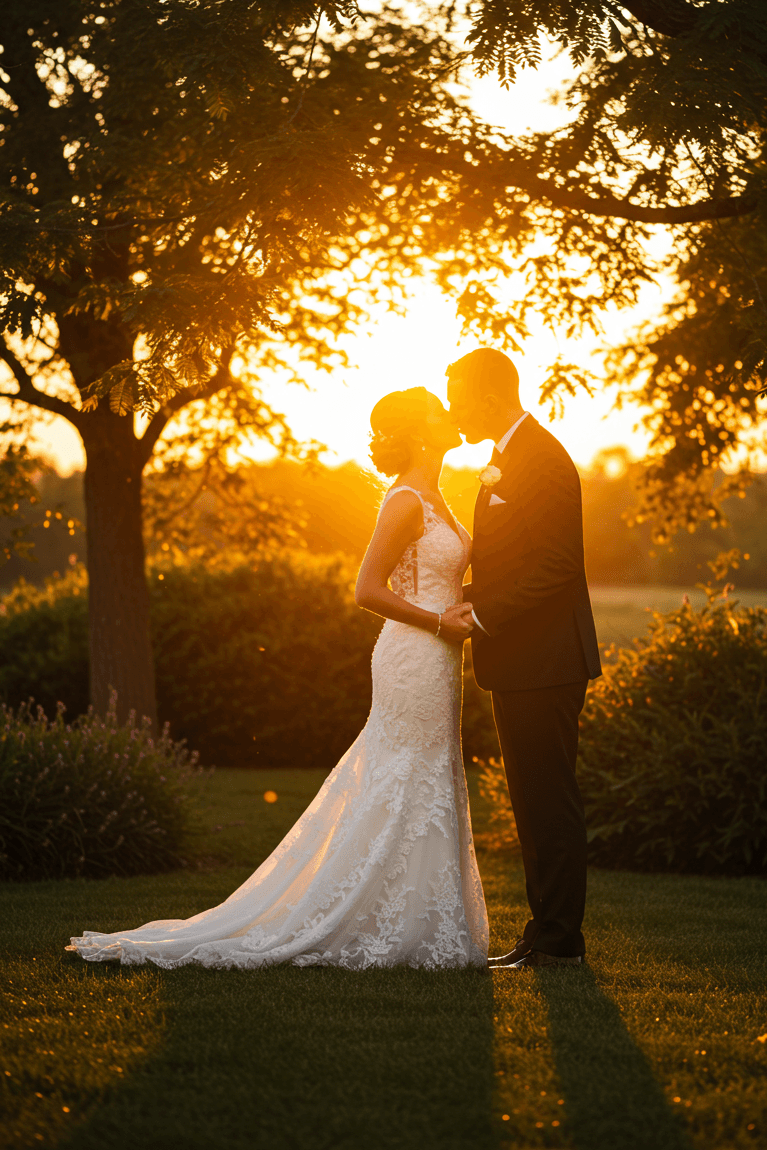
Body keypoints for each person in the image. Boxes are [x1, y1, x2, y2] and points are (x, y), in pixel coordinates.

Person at [66, 387, 488, 970]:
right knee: (402, 775)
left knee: (428, 776)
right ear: (418, 431)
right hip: (413, 657)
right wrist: (440, 620)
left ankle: (420, 918)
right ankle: (373, 920)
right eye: (439, 412)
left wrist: (464, 606)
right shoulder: (406, 500)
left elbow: (437, 579)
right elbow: (367, 590)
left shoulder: (441, 497)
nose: (450, 415)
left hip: (442, 659)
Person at [446, 348, 601, 969]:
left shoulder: (542, 457)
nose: (455, 409)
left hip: (546, 661)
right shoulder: (507, 457)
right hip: (522, 661)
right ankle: (544, 933)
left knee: (548, 800)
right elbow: (512, 561)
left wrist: (482, 616)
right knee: (531, 801)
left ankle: (561, 940)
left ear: (488, 397)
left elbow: (558, 566)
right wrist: (454, 599)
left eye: (458, 395)